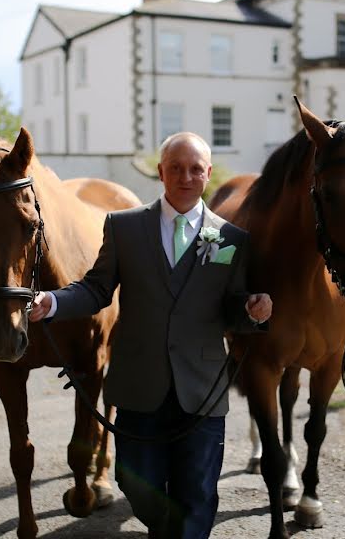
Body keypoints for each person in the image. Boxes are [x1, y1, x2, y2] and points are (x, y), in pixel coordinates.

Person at [29, 132, 272, 539]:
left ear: (208, 173)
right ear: (161, 172)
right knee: (135, 482)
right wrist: (51, 302)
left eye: (196, 168)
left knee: (197, 492)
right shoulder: (124, 227)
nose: (186, 176)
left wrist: (252, 311)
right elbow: (95, 289)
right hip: (139, 385)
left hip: (202, 388)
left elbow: (232, 308)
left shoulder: (230, 239)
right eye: (175, 167)